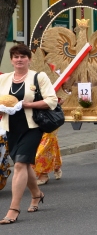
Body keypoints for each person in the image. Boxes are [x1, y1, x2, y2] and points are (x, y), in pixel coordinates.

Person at [0, 44, 58, 224]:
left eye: (23, 57)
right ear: (11, 60)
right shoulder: (5, 79)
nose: (19, 60)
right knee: (23, 165)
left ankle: (13, 209)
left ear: (29, 59)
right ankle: (37, 194)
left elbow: (52, 101)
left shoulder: (38, 77)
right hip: (11, 127)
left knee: (19, 165)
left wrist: (27, 105)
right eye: (16, 57)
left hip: (32, 126)